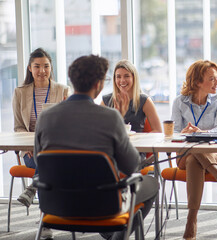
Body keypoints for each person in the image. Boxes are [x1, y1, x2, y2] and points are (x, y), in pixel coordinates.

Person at [34, 54, 159, 240]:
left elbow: (39, 160)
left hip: (58, 203)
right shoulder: (110, 116)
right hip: (102, 204)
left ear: (72, 80)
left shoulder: (45, 117)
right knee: (152, 182)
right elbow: (132, 165)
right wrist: (120, 121)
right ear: (100, 84)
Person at [171, 60, 217, 240]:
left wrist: (200, 133)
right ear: (197, 82)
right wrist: (184, 133)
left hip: (216, 153)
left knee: (193, 159)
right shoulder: (179, 102)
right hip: (185, 153)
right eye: (212, 79)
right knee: (193, 153)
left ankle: (191, 222)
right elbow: (174, 132)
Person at [12, 48, 69, 210]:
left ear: (51, 67)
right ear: (30, 68)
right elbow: (19, 127)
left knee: (48, 161)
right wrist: (28, 146)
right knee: (48, 164)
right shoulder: (20, 93)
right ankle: (47, 215)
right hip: (30, 149)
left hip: (55, 147)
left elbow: (66, 124)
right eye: (37, 66)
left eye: (46, 66)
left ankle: (33, 188)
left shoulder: (63, 90)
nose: (42, 71)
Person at [101, 59, 162, 133]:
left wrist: (140, 139)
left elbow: (158, 131)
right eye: (118, 77)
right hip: (113, 143)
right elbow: (97, 129)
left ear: (134, 78)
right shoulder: (106, 101)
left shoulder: (144, 101)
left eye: (126, 76)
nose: (122, 80)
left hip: (137, 144)